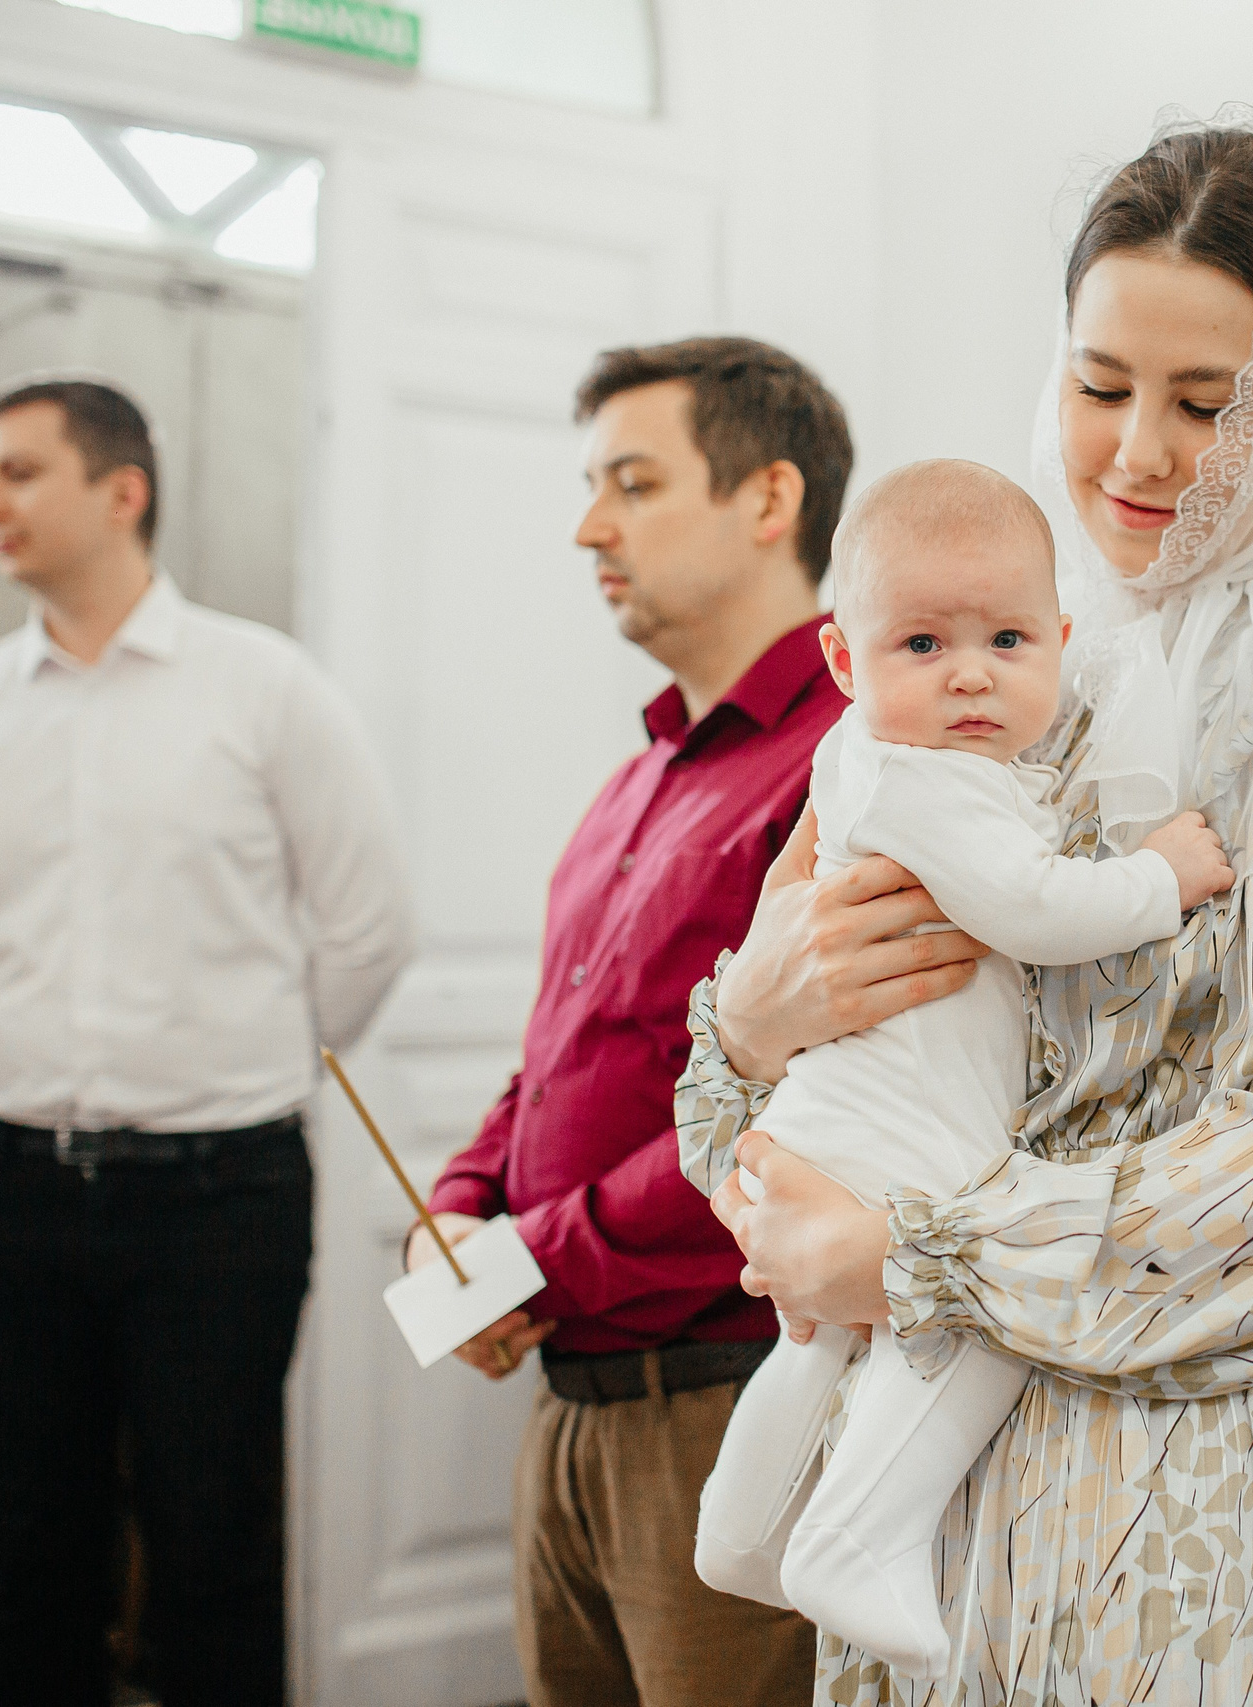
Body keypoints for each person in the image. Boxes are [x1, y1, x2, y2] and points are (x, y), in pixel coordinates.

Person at [675, 108, 1253, 1702]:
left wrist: (919, 1253)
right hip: (929, 1523)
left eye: (1207, 400)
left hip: (1190, 1514)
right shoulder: (996, 652)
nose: (1138, 452)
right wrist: (746, 1027)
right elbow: (768, 1102)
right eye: (1100, 384)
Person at [0, 378, 417, 1707]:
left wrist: (240, 1063)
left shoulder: (264, 688)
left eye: (15, 471)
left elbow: (369, 925)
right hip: (3, 1194)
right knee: (28, 1563)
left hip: (218, 1199)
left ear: (121, 491)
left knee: (214, 1559)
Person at [687, 458, 1235, 1674]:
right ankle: (856, 1537)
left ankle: (741, 1529)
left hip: (833, 1117)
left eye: (1005, 638)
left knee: (817, 1337)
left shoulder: (859, 763)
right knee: (970, 1322)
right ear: (845, 662)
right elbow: (1033, 910)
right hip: (904, 1135)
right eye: (923, 645)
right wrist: (1161, 878)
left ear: (1060, 639)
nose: (971, 673)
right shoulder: (931, 782)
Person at [409, 336, 860, 1706]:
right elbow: (559, 1055)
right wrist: (464, 1200)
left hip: (728, 1402)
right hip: (572, 1409)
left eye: (633, 481)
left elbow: (803, 1118)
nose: (587, 525)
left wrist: (528, 1256)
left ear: (768, 499)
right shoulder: (638, 776)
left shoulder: (851, 762)